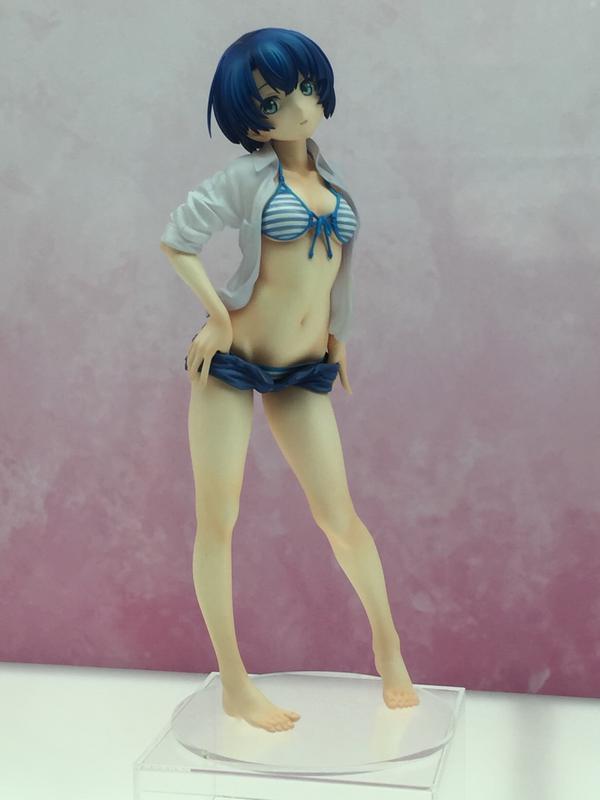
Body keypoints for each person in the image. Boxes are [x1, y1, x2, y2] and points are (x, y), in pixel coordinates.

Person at [160, 27, 419, 734]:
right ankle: (234, 684)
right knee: (218, 521)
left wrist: (339, 337)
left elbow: (337, 274)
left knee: (340, 518)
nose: (300, 107)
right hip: (231, 364)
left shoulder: (333, 183)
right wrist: (218, 318)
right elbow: (178, 240)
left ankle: (389, 647)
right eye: (275, 101)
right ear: (252, 118)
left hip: (304, 367)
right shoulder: (247, 178)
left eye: (306, 88)